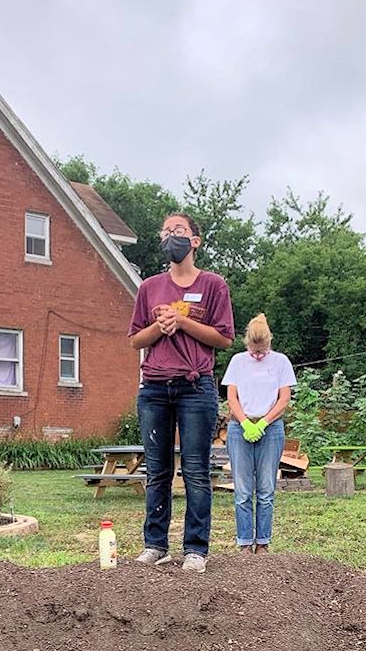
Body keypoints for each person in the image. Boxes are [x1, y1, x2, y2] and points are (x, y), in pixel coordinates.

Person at [128, 212, 234, 573]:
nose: (171, 235)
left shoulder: (214, 285)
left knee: (195, 469)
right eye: (166, 231)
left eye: (179, 230)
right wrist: (160, 326)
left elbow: (223, 337)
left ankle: (196, 549)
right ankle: (156, 544)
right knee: (156, 471)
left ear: (195, 241)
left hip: (195, 386)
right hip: (155, 387)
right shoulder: (149, 287)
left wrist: (184, 320)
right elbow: (135, 340)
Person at [222, 313, 295, 554]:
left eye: (262, 349)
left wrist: (263, 422)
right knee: (242, 490)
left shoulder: (281, 362)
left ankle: (263, 542)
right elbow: (231, 396)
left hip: (271, 429)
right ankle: (244, 542)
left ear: (269, 342)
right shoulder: (237, 362)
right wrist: (245, 422)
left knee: (265, 489)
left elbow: (284, 398)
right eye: (254, 349)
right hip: (239, 428)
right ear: (247, 344)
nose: (258, 354)